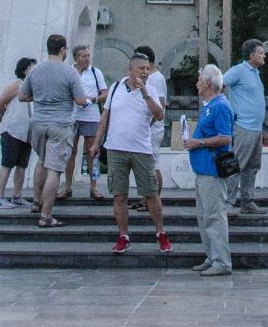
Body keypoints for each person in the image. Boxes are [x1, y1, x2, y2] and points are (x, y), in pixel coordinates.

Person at [97, 51, 170, 254]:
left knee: (150, 193)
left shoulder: (151, 90)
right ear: (130, 70)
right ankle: (123, 236)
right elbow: (105, 116)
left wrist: (145, 92)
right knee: (119, 195)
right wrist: (96, 143)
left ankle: (161, 233)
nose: (145, 72)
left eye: (147, 69)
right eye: (141, 68)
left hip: (141, 149)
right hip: (116, 148)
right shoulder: (116, 88)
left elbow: (159, 115)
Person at [20, 33, 87, 227]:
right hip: (60, 123)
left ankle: (36, 202)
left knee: (41, 161)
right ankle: (46, 216)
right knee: (55, 169)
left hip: (38, 123)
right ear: (63, 50)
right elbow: (81, 100)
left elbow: (22, 96)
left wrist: (41, 98)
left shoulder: (35, 70)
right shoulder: (70, 72)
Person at [185, 64, 235, 277]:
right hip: (203, 169)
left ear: (207, 82)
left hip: (212, 170)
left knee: (214, 216)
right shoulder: (209, 105)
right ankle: (212, 256)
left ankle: (222, 261)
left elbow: (225, 137)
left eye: (199, 79)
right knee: (204, 216)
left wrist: (199, 143)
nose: (196, 83)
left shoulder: (220, 106)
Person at [222, 40, 267, 213]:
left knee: (252, 166)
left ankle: (247, 200)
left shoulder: (255, 72)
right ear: (252, 55)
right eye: (261, 53)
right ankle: (227, 203)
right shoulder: (238, 70)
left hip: (256, 127)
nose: (264, 56)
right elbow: (219, 84)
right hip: (243, 126)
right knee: (237, 164)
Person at [67, 44, 108, 200]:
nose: (87, 58)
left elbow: (105, 93)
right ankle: (67, 186)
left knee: (92, 153)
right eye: (84, 56)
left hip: (91, 116)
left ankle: (94, 187)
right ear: (76, 58)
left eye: (88, 55)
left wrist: (94, 99)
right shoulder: (69, 71)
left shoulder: (95, 72)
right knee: (70, 152)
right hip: (72, 115)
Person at [0, 57, 35, 209]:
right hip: (12, 131)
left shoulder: (32, 87)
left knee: (22, 165)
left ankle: (17, 196)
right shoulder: (16, 85)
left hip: (27, 133)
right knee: (7, 164)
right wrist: (5, 116)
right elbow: (0, 102)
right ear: (25, 70)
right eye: (31, 68)